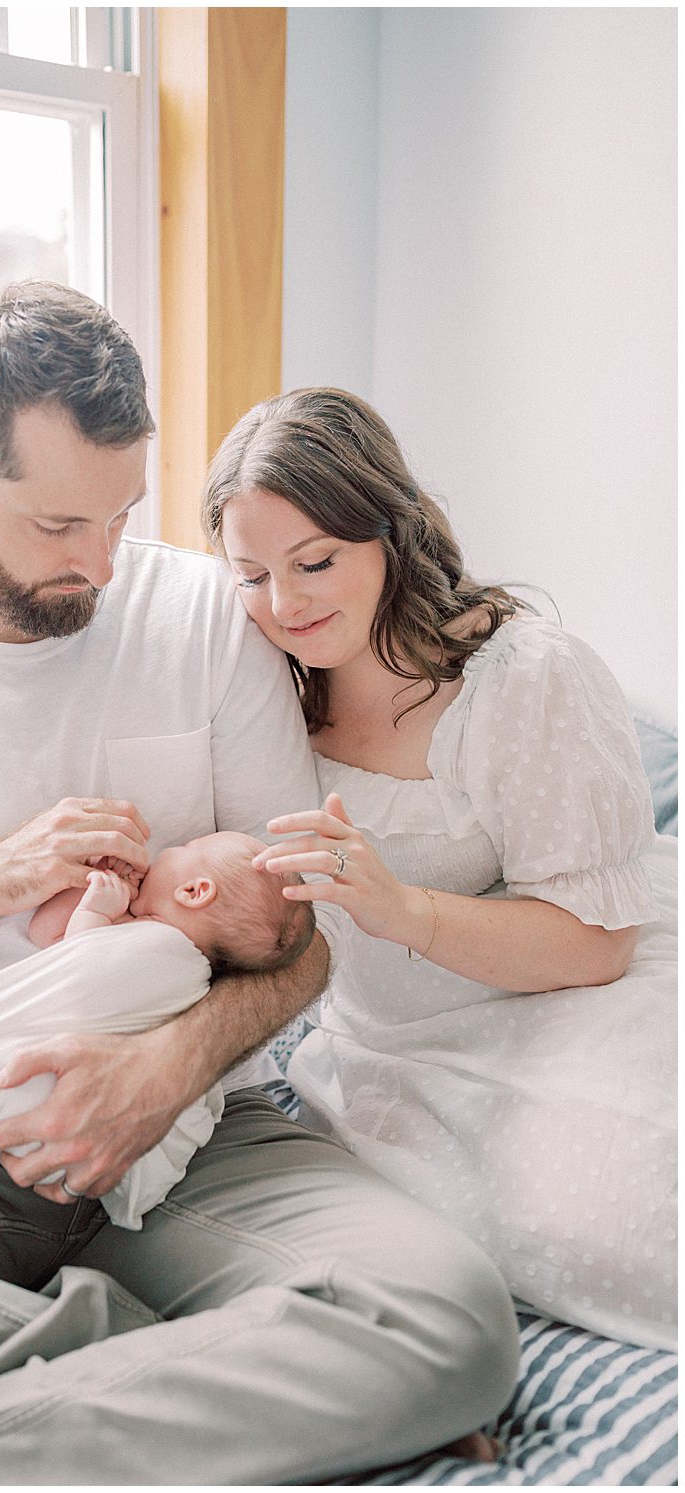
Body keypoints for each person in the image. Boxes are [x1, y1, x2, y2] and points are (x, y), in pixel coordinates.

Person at [0, 286, 519, 1487]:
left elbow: (305, 932)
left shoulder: (201, 618)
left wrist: (162, 1071)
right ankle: (156, 1356)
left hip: (189, 1128)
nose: (100, 562)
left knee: (443, 1323)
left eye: (123, 515)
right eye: (56, 525)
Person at [201, 385, 677, 1353]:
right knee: (513, 1224)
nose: (284, 603)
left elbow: (595, 945)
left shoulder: (523, 676)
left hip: (577, 992)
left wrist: (402, 906)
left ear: (389, 530)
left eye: (315, 561)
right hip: (393, 1052)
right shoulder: (252, 692)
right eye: (250, 574)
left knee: (635, 1192)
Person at [0, 836, 315, 1230]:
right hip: (84, 1123)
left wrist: (98, 911)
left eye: (186, 846)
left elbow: (86, 972)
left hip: (81, 1102)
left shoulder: (164, 953)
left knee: (1, 1070)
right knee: (17, 1070)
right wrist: (96, 897)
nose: (168, 848)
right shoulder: (144, 938)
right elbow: (53, 939)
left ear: (194, 891)